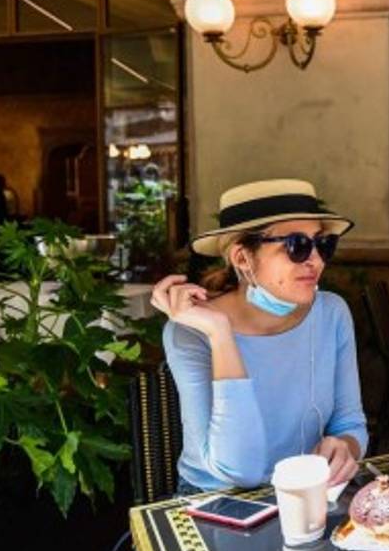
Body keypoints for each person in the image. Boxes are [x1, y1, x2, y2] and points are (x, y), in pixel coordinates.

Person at [149, 179, 368, 493]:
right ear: (242, 258)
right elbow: (239, 471)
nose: (316, 260)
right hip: (216, 498)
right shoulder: (192, 332)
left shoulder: (332, 313)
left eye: (323, 244)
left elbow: (351, 424)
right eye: (296, 246)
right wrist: (220, 334)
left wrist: (346, 447)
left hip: (307, 490)